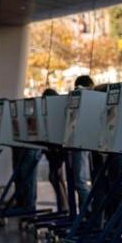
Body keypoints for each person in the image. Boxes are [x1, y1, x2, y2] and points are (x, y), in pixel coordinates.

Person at [69, 75, 95, 212]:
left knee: (80, 181)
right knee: (80, 181)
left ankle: (89, 211)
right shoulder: (83, 98)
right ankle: (86, 212)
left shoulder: (82, 99)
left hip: (81, 144)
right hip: (78, 143)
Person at [42, 89, 69, 212]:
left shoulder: (53, 113)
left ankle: (64, 207)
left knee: (55, 177)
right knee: (57, 178)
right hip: (54, 151)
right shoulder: (58, 111)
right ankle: (64, 206)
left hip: (56, 151)